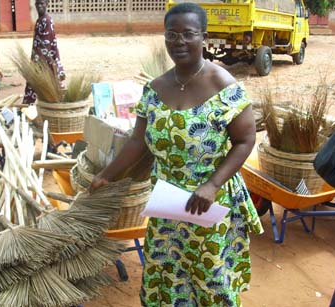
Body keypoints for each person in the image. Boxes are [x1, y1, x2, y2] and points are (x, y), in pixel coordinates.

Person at [89, 3, 263, 306]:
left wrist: (212, 185)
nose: (179, 41)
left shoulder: (224, 86)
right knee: (168, 274)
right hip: (168, 203)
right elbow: (137, 141)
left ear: (204, 37)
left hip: (210, 203)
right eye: (172, 34)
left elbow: (246, 140)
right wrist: (106, 175)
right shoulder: (154, 90)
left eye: (188, 34)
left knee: (210, 278)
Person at [23, 0, 65, 104]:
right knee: (36, 87)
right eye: (38, 4)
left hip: (45, 61)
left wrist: (38, 64)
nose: (40, 6)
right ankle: (27, 108)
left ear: (47, 4)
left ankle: (27, 107)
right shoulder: (40, 20)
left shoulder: (47, 21)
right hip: (39, 59)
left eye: (42, 3)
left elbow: (46, 45)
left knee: (37, 85)